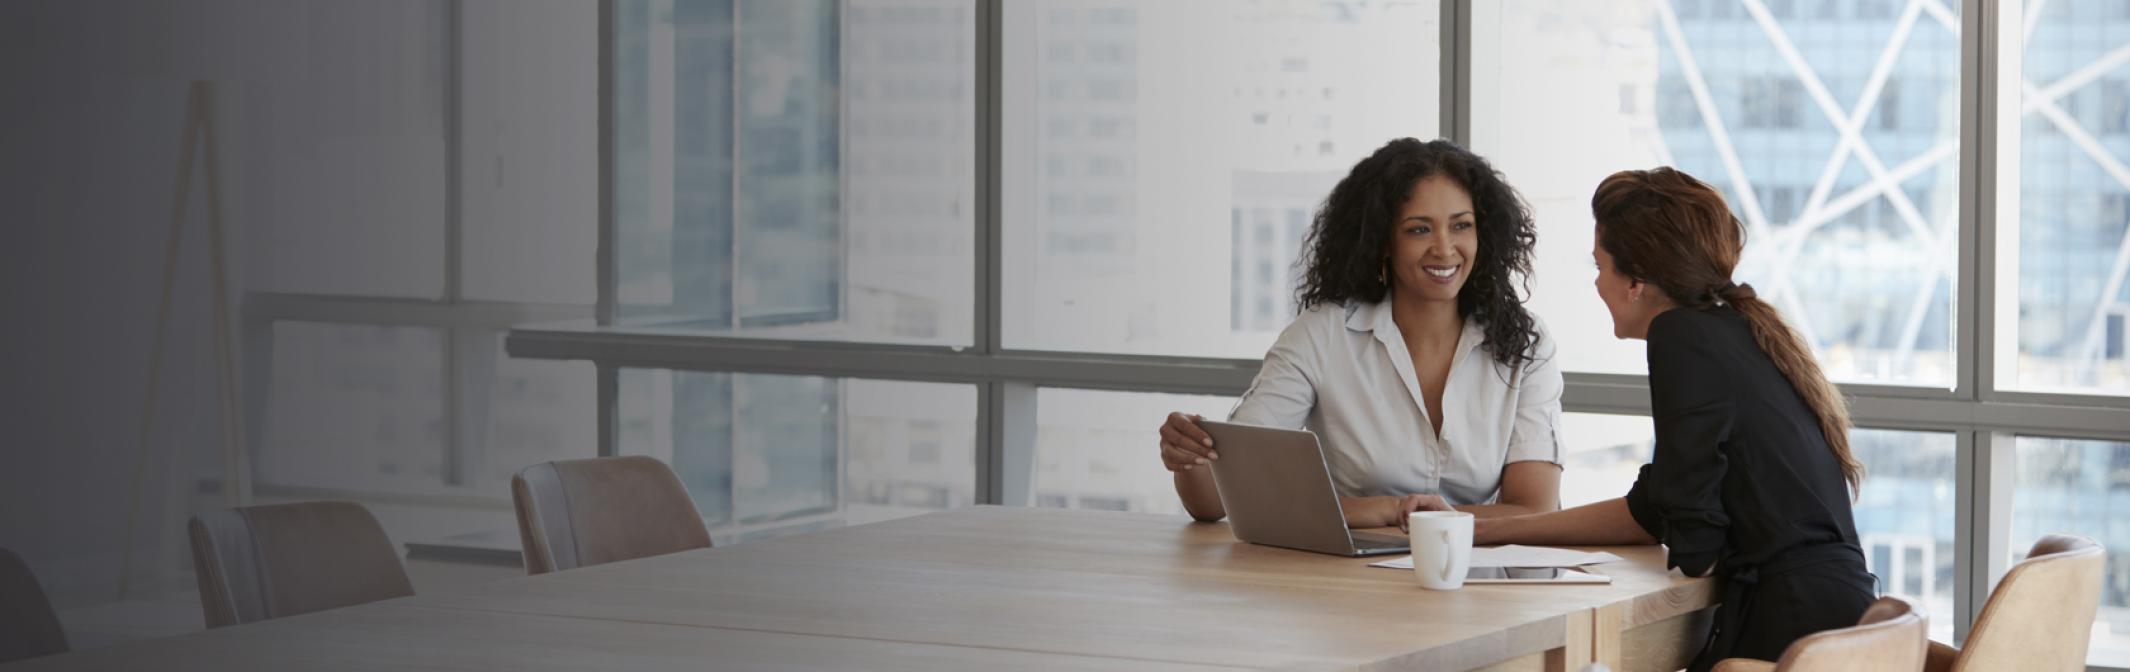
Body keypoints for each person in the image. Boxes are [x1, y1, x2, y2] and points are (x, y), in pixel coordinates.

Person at [1475, 167, 1874, 671]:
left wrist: (1489, 531)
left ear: (1636, 280)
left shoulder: (1680, 336)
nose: (1597, 283)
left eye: (1599, 266)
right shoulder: (1735, 329)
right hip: (1833, 618)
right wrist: (1489, 531)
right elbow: (1654, 510)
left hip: (1788, 627)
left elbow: (1693, 536)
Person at [1157, 138, 1565, 529]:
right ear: (1383, 240)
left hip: (1477, 580)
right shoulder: (1323, 335)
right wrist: (1189, 454)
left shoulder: (1524, 344)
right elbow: (1215, 498)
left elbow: (1534, 508)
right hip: (1346, 584)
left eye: (1461, 226)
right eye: (1419, 229)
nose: (1444, 248)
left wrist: (1413, 518)